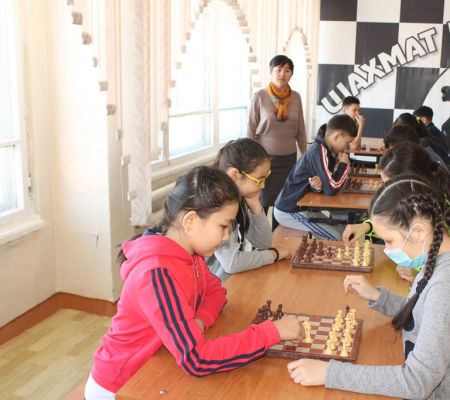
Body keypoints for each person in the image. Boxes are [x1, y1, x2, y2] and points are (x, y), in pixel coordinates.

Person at [287, 177, 450, 399]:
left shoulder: (449, 287)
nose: (388, 250)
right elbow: (425, 312)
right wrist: (378, 296)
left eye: (389, 240)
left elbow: (417, 381)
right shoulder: (439, 258)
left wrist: (330, 373)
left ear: (419, 231)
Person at [84, 166, 302, 399]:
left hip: (160, 364)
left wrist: (200, 320)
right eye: (223, 226)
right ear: (190, 221)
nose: (226, 237)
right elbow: (197, 359)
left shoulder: (191, 256)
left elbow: (216, 292)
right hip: (121, 387)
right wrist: (270, 332)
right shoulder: (157, 274)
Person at [342, 142, 450, 282]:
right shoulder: (420, 201)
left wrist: (418, 274)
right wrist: (366, 226)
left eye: (390, 185)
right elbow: (397, 223)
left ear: (410, 183)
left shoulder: (439, 213)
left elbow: (441, 265)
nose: (386, 191)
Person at [208, 138, 291, 282]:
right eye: (259, 180)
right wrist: (274, 254)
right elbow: (232, 263)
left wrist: (255, 203)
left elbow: (263, 243)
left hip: (231, 280)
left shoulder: (240, 198)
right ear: (235, 176)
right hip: (218, 285)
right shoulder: (218, 206)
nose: (263, 186)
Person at [273, 114, 357, 240]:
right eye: (347, 143)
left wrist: (318, 186)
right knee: (337, 237)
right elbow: (331, 188)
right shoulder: (319, 151)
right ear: (337, 136)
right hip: (290, 210)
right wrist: (344, 165)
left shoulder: (325, 149)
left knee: (342, 230)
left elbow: (325, 183)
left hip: (304, 207)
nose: (347, 148)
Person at [247, 55, 307, 223]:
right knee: (262, 202)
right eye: (278, 69)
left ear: (291, 74)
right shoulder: (260, 96)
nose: (282, 74)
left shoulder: (296, 97)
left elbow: (301, 129)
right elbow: (251, 127)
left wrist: (306, 155)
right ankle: (259, 236)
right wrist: (250, 157)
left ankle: (277, 236)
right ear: (271, 71)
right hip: (264, 160)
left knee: (283, 204)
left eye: (287, 70)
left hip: (289, 161)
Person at [384, 124, 448, 171]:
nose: (393, 155)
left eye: (393, 151)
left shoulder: (422, 160)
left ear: (406, 146)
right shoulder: (422, 153)